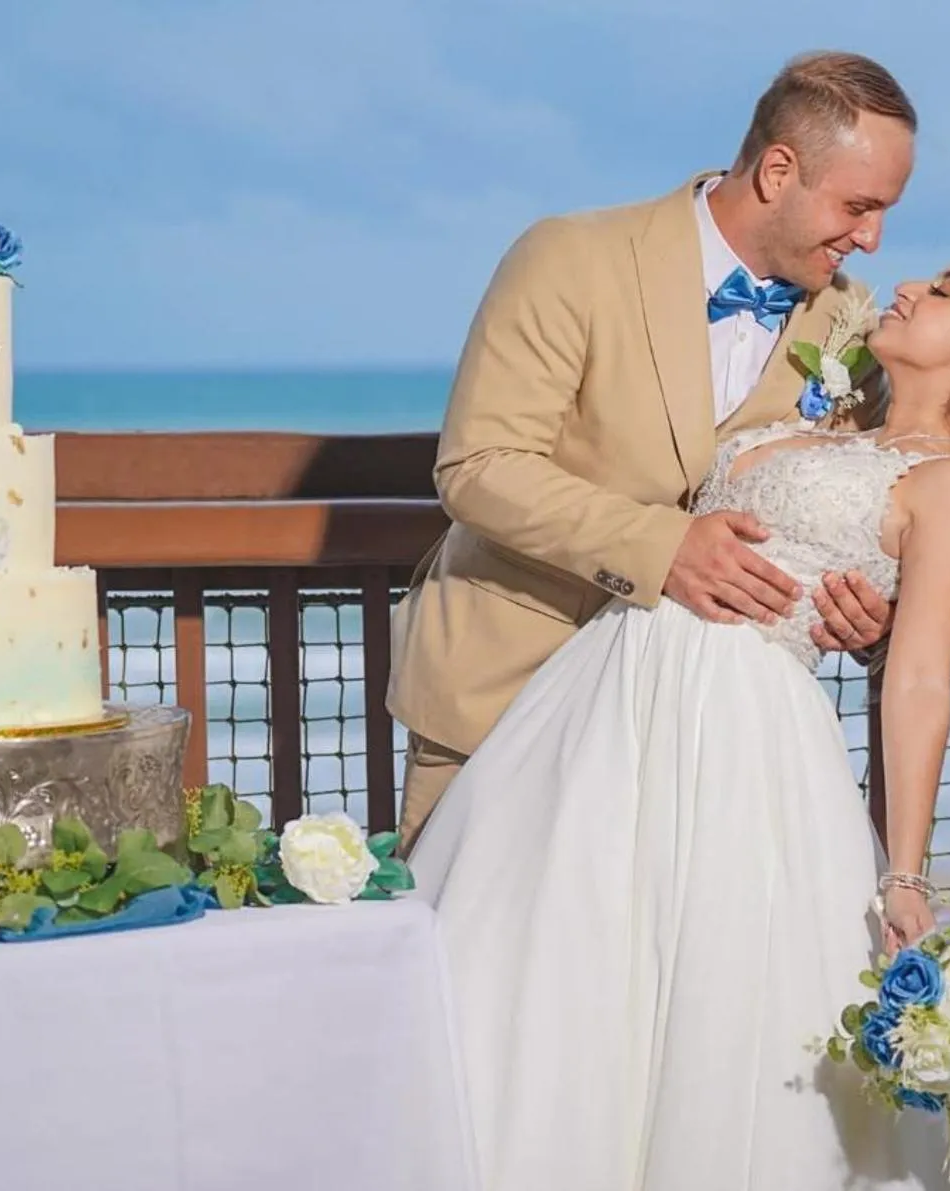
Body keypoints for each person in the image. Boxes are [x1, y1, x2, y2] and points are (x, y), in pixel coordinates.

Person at [408, 244, 950, 1187]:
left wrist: (906, 875)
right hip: (604, 704)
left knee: (713, 1009)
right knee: (556, 975)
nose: (910, 284)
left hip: (743, 733)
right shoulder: (830, 412)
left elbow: (918, 679)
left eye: (945, 291)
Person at [386, 51, 919, 854]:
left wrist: (859, 606)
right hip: (505, 696)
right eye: (858, 205)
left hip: (702, 738)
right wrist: (661, 547)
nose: (873, 239)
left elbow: (850, 498)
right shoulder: (570, 257)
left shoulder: (847, 321)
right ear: (779, 170)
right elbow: (480, 465)